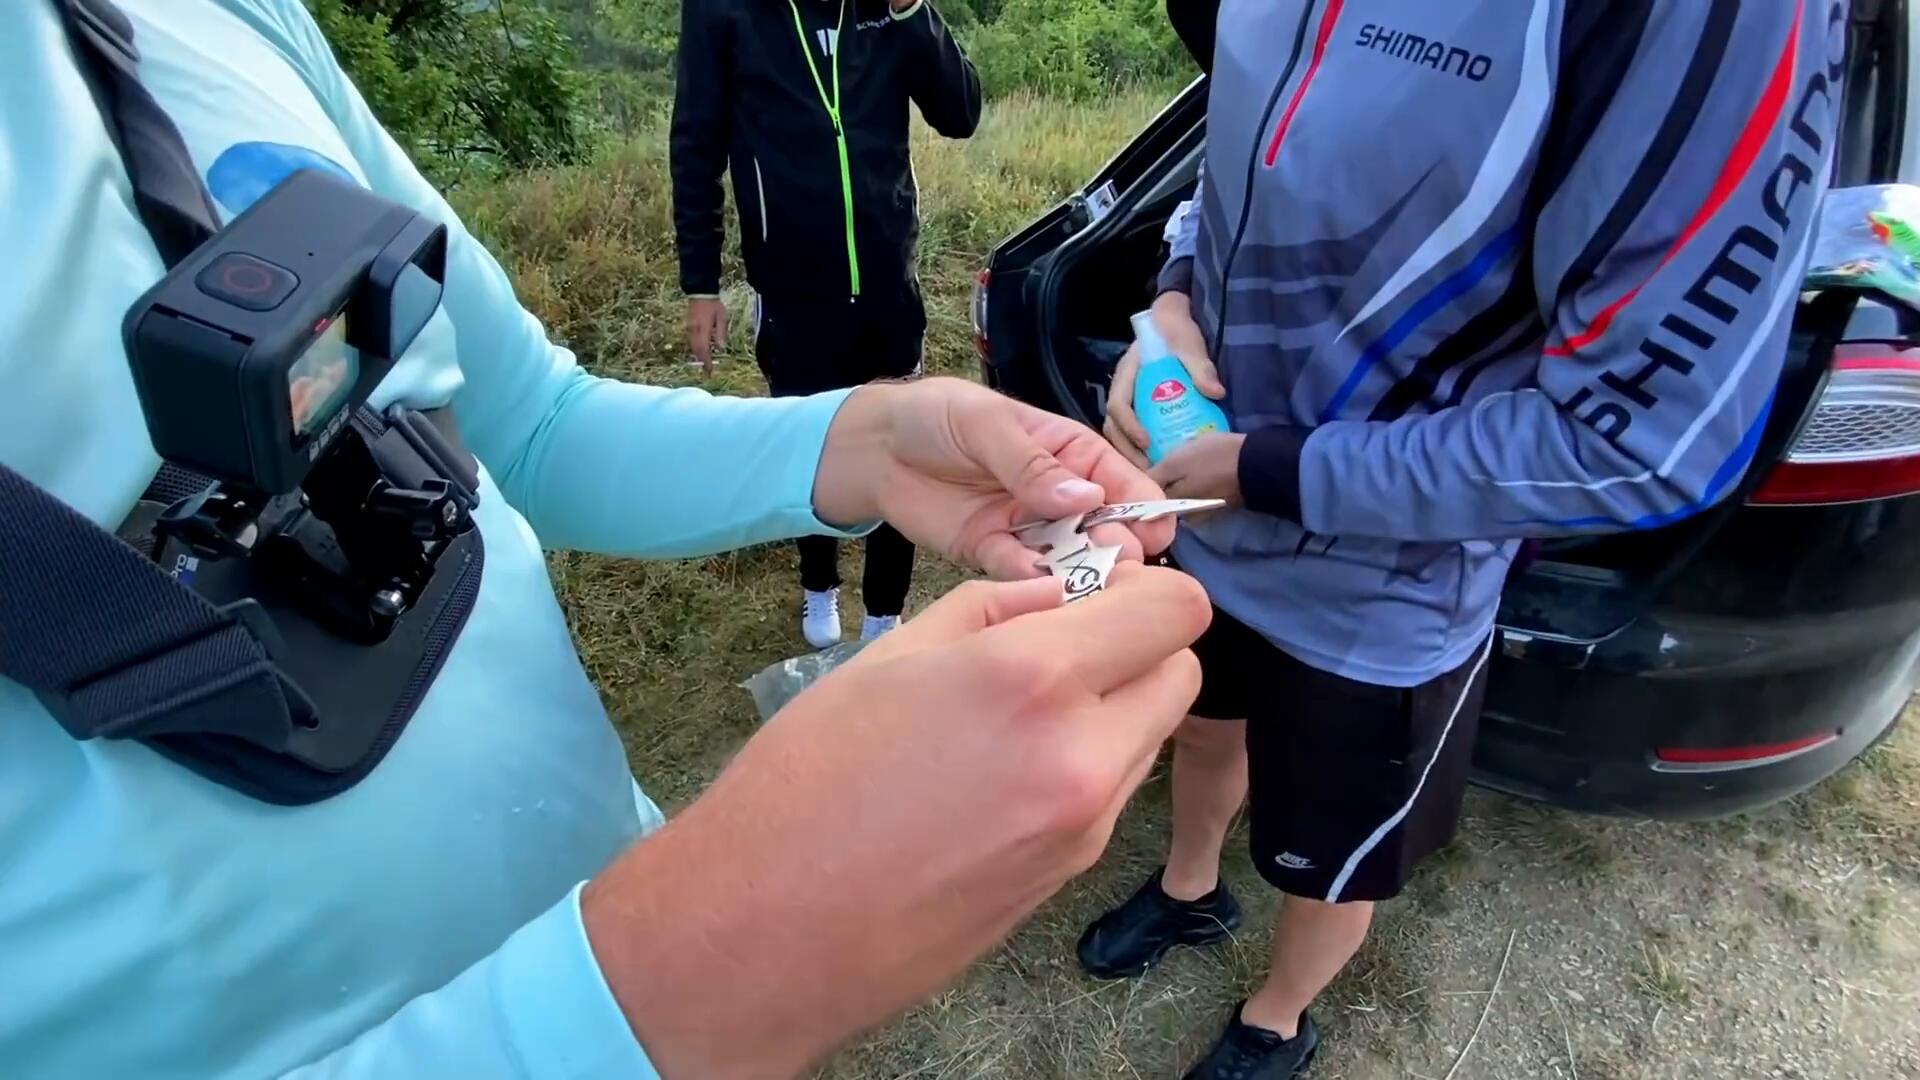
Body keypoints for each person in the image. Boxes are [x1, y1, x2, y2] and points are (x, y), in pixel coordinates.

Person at [0, 2, 1212, 1075]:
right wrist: (717, 960)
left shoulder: (200, 21)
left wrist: (871, 442)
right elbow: (698, 144)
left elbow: (531, 424)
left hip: (614, 884)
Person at [1081, 2, 1846, 1077]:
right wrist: (1169, 306)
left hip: (1385, 582)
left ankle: (1279, 1017)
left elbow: (1634, 442)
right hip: (1215, 523)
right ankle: (1189, 889)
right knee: (1206, 728)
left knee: (1332, 852)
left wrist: (1266, 472)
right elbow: (1249, 147)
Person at [671, 0, 982, 649]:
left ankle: (884, 613)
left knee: (899, 444)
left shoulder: (883, 9)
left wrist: (911, 11)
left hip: (888, 284)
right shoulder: (724, 11)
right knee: (810, 448)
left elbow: (960, 114)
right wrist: (701, 283)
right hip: (793, 292)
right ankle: (819, 585)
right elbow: (696, 143)